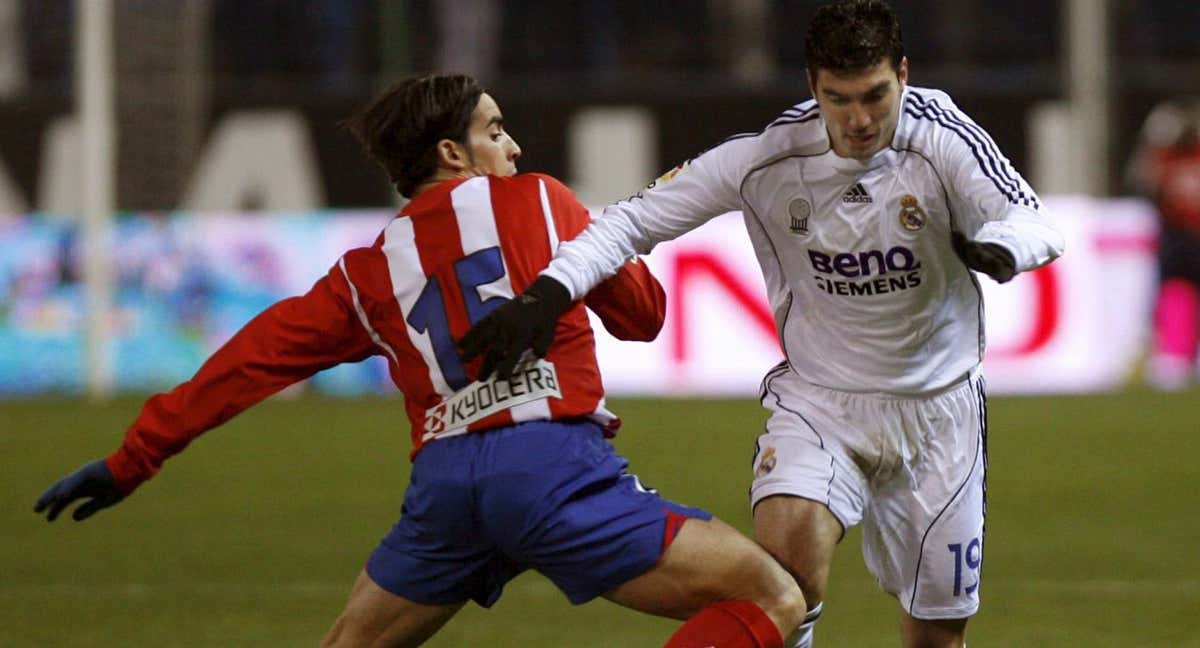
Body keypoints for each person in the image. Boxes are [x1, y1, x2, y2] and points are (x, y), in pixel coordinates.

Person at [33, 74, 807, 647]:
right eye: (496, 130)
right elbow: (644, 318)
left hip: (446, 492)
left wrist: (134, 457)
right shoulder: (539, 200)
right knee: (773, 597)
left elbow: (251, 361)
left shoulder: (367, 271)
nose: (514, 145)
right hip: (552, 468)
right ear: (452, 151)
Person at [458, 2, 1065, 647]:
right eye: (839, 99)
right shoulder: (766, 159)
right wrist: (548, 293)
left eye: (875, 96)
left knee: (938, 631)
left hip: (941, 411)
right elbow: (631, 220)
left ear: (903, 75)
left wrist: (1002, 249)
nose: (859, 119)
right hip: (822, 402)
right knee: (785, 578)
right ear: (812, 86)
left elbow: (1033, 220)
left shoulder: (941, 136)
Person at [1126, 98, 1200, 390]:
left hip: (1187, 233)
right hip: (1177, 234)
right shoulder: (1166, 158)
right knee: (1173, 292)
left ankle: (1175, 358)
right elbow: (1143, 181)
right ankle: (1173, 357)